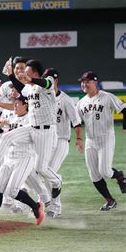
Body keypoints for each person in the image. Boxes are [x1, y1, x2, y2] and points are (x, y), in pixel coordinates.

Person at [0, 59, 62, 202]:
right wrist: (10, 75)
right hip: (31, 127)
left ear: (34, 73)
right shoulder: (29, 89)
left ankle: (57, 181)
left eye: (26, 72)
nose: (23, 74)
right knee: (7, 137)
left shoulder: (48, 85)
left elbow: (45, 83)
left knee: (41, 168)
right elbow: (20, 87)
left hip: (46, 131)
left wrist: (30, 79)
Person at [0, 96, 46, 229]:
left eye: (17, 104)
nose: (14, 107)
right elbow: (0, 127)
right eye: (14, 105)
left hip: (25, 157)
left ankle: (36, 207)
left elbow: (20, 135)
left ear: (26, 105)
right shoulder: (13, 118)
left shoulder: (31, 120)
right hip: (9, 157)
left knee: (12, 191)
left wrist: (4, 125)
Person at [76, 71, 126, 211]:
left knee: (105, 171)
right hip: (90, 141)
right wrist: (78, 138)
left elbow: (124, 109)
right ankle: (110, 200)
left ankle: (120, 176)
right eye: (82, 81)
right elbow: (76, 122)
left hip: (106, 138)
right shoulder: (81, 102)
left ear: (95, 82)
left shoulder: (107, 97)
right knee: (94, 174)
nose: (84, 84)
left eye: (87, 81)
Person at [43, 68, 83, 218]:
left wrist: (79, 139)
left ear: (56, 80)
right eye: (46, 79)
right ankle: (47, 202)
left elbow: (76, 122)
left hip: (61, 140)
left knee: (49, 171)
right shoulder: (42, 97)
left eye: (51, 79)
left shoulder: (65, 100)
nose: (49, 81)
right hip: (46, 140)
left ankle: (55, 206)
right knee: (42, 171)